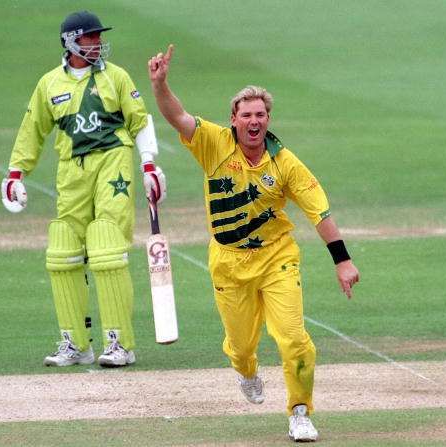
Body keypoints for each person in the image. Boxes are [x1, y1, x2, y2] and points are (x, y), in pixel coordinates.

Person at [148, 45, 360, 443]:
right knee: (243, 347)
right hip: (228, 262)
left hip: (277, 257)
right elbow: (176, 115)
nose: (254, 120)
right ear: (234, 120)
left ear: (268, 120)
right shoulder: (213, 142)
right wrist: (160, 84)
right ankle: (246, 372)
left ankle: (300, 411)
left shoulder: (285, 162)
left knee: (294, 338)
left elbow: (320, 212)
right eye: (246, 114)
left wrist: (342, 261)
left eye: (260, 114)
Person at [1, 11, 167, 368]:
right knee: (63, 250)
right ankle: (76, 343)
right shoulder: (49, 84)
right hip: (70, 171)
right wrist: (15, 174)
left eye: (97, 37)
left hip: (112, 162)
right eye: (89, 37)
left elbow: (140, 120)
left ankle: (120, 343)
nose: (96, 43)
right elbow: (33, 129)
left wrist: (149, 164)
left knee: (106, 245)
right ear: (70, 42)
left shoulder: (116, 76)